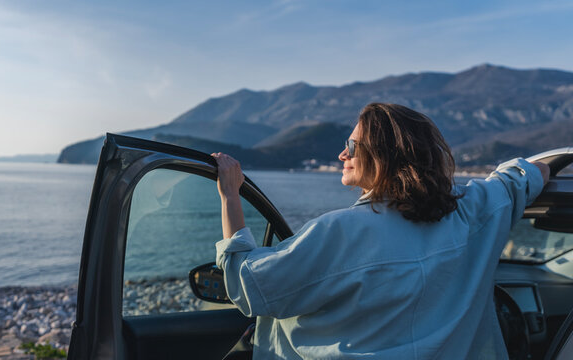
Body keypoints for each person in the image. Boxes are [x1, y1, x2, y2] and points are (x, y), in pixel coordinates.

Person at [211, 103, 550, 359]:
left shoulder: (339, 233)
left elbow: (247, 284)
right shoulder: (475, 209)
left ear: (387, 156)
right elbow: (533, 172)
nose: (342, 153)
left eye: (353, 146)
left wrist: (230, 195)